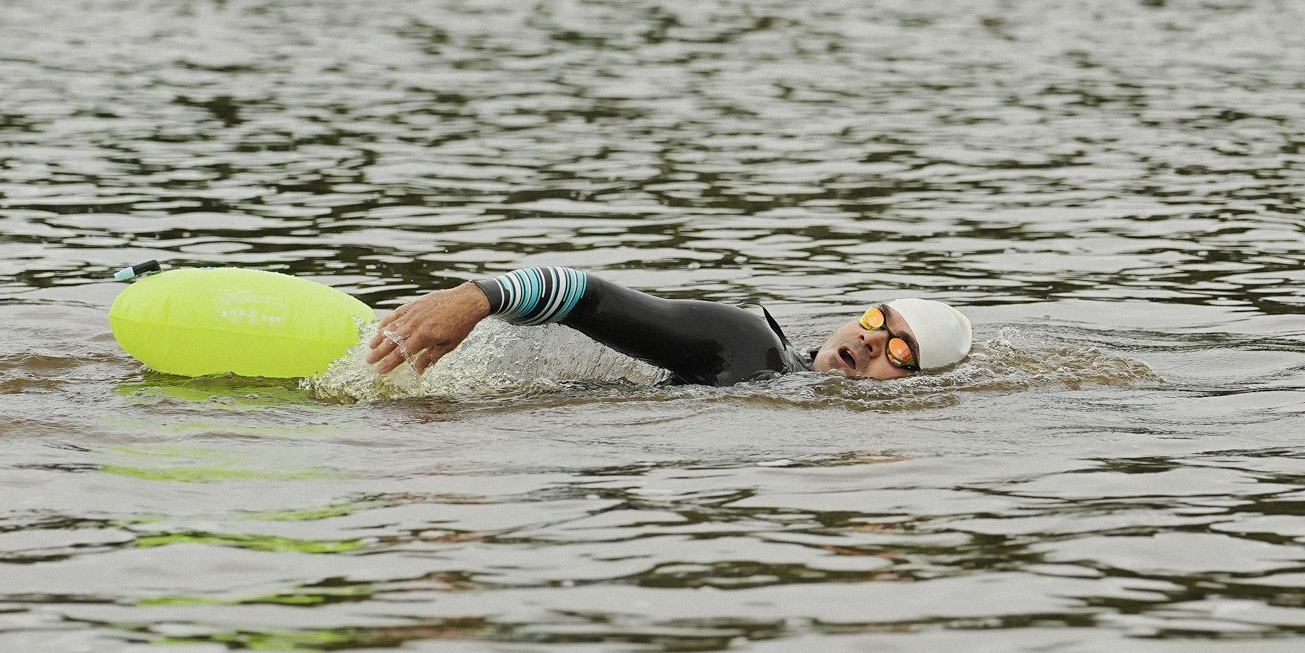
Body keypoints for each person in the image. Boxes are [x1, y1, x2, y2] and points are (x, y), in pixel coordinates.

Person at [365, 265, 972, 387]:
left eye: (898, 348)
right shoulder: (746, 345)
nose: (870, 339)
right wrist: (475, 298)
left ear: (917, 384)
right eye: (876, 320)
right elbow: (589, 295)